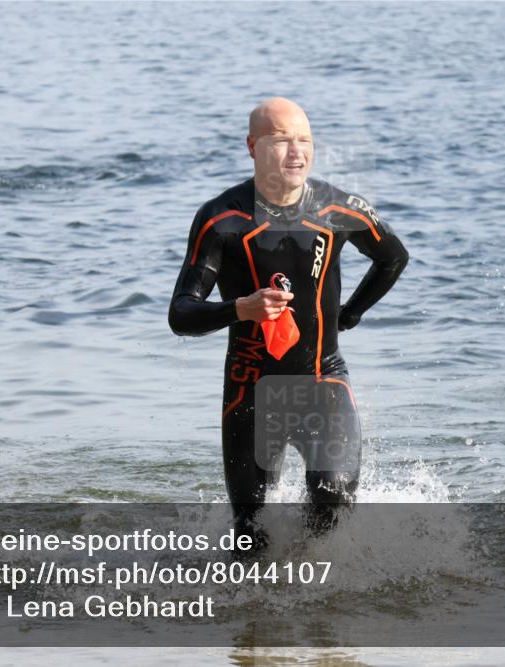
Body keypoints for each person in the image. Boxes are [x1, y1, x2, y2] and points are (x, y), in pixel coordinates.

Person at [168, 98, 409, 546]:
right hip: (250, 393)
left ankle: (314, 598)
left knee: (332, 497)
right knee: (249, 536)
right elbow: (181, 313)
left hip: (323, 381)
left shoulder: (338, 208)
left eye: (306, 141)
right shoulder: (222, 221)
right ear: (252, 146)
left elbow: (393, 257)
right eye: (282, 141)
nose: (297, 152)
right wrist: (240, 309)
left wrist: (349, 314)